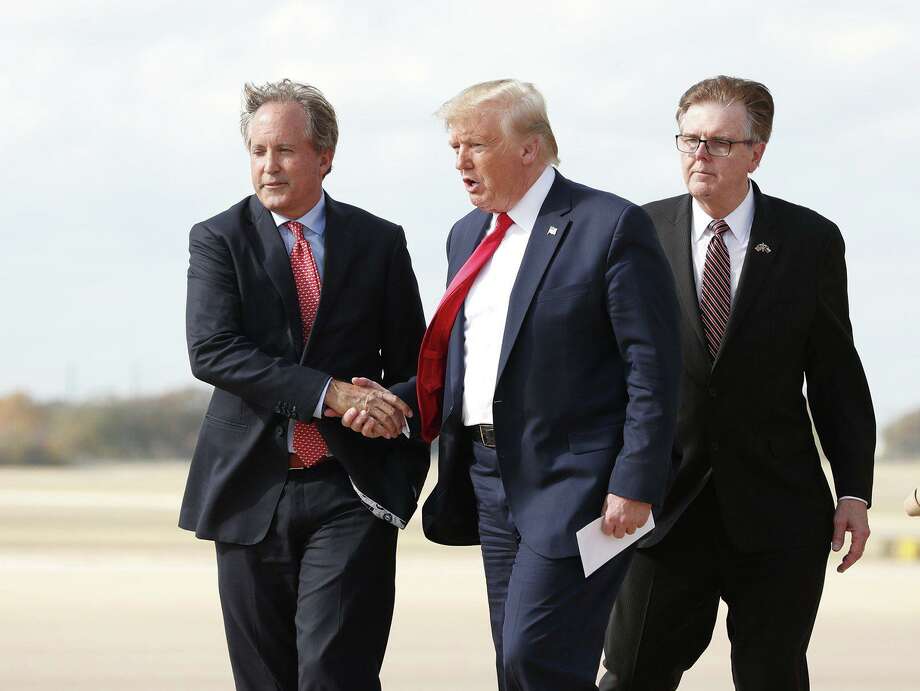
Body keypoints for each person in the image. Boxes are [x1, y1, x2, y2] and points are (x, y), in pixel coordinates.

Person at [343, 79, 681, 691]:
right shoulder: (466, 235)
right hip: (489, 480)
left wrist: (635, 482)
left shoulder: (609, 224)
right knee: (519, 664)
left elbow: (652, 371)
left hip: (580, 486)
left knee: (535, 655)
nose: (460, 162)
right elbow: (469, 365)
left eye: (475, 145)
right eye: (454, 148)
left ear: (530, 149)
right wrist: (391, 399)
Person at [599, 75, 876, 691]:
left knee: (772, 676)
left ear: (757, 151)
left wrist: (854, 489)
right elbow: (603, 374)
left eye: (721, 143)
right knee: (629, 676)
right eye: (690, 139)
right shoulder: (633, 233)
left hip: (778, 514)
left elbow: (836, 376)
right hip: (658, 509)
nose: (701, 154)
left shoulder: (810, 240)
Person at [179, 79, 428, 691]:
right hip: (248, 489)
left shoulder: (379, 240)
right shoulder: (218, 238)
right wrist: (331, 393)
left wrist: (386, 407)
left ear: (325, 156)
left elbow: (418, 364)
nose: (269, 166)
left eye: (285, 151)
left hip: (350, 488)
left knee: (333, 676)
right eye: (258, 151)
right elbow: (213, 351)